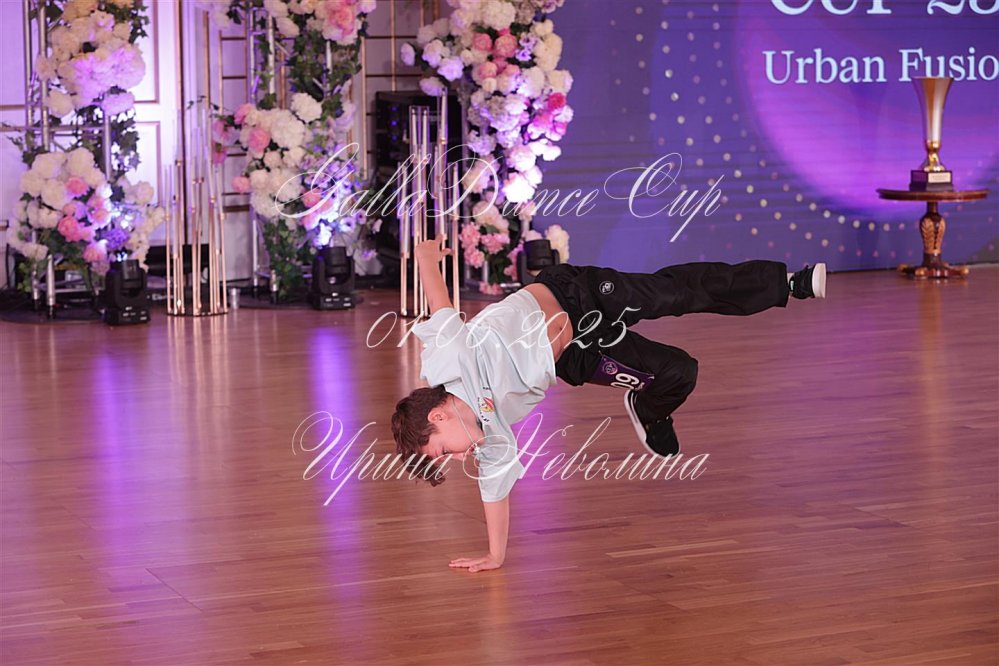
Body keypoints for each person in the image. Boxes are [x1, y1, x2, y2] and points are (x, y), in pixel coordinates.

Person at [391, 237, 826, 572]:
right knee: (679, 370)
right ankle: (650, 409)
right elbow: (494, 494)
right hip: (576, 355)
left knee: (671, 294)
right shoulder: (493, 439)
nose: (460, 456)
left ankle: (787, 283)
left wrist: (425, 255)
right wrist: (495, 556)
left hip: (577, 296)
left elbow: (439, 302)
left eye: (444, 450)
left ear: (438, 415)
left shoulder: (449, 360)